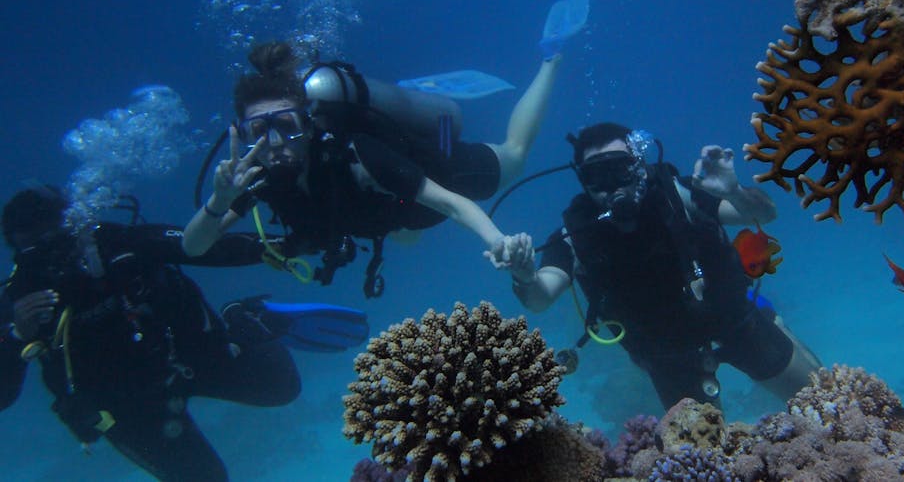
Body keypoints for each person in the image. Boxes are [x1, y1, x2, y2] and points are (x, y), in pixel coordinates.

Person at [182, 42, 548, 292]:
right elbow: (193, 247)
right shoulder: (253, 179)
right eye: (259, 131)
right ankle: (408, 99)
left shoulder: (359, 153)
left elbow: (452, 203)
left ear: (308, 125)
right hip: (392, 215)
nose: (274, 144)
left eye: (287, 126)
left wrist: (498, 241)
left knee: (515, 154)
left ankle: (551, 59)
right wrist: (219, 202)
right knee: (405, 235)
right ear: (242, 135)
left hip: (437, 174)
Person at [0, 186, 304, 482]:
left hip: (188, 359)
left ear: (74, 224)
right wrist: (17, 335)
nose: (51, 254)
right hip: (127, 409)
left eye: (55, 236)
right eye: (33, 247)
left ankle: (241, 317)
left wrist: (289, 245)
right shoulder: (15, 299)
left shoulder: (118, 244)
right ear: (16, 250)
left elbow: (199, 246)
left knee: (282, 387)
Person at [510, 123, 822, 410]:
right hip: (666, 355)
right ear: (582, 180)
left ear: (639, 167)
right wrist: (525, 276)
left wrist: (734, 192)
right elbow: (541, 296)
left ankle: (769, 317)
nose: (612, 186)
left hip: (734, 320)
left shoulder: (677, 195)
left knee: (821, 401)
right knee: (699, 460)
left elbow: (763, 214)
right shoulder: (575, 235)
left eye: (620, 170)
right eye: (597, 175)